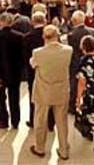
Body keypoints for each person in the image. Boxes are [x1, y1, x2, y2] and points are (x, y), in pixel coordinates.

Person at [30, 25, 73, 161]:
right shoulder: (68, 50)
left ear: (44, 37)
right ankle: (64, 149)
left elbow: (33, 64)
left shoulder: (38, 52)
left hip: (43, 91)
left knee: (40, 121)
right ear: (58, 35)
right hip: (61, 91)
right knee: (62, 121)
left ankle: (40, 148)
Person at [0, 12, 25, 129]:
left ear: (0, 22)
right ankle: (15, 122)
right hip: (15, 73)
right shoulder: (19, 37)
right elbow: (22, 57)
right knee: (14, 98)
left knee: (0, 98)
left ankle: (3, 121)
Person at [23, 12, 54, 130]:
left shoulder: (27, 37)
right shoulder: (52, 35)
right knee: (50, 96)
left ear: (32, 22)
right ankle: (50, 123)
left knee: (34, 97)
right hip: (50, 70)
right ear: (45, 21)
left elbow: (25, 57)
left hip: (33, 71)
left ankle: (33, 120)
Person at [67, 10, 94, 114]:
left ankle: (72, 106)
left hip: (76, 63)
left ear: (74, 21)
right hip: (92, 62)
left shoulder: (72, 34)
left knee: (74, 85)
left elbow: (71, 50)